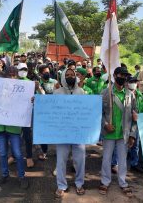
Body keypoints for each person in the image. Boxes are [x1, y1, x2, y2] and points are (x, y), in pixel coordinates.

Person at [99, 67, 137, 197]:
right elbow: (99, 113)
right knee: (106, 158)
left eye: (125, 75)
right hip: (109, 133)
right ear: (114, 75)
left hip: (123, 134)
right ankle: (105, 181)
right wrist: (105, 125)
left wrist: (132, 135)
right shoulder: (105, 93)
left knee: (122, 159)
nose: (123, 77)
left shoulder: (130, 95)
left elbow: (135, 116)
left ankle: (123, 182)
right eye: (121, 75)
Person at [0, 66, 29, 189]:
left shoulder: (22, 89)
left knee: (18, 154)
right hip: (0, 127)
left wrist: (31, 99)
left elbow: (26, 103)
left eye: (14, 75)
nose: (12, 77)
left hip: (14, 128)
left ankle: (21, 176)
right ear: (5, 76)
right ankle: (4, 175)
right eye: (9, 75)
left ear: (17, 76)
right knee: (2, 153)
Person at [53, 68, 86, 198]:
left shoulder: (81, 91)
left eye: (72, 75)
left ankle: (79, 184)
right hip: (62, 132)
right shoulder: (57, 92)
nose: (70, 76)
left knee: (80, 160)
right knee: (61, 161)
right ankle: (61, 186)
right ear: (63, 77)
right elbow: (50, 108)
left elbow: (86, 109)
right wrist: (37, 101)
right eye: (67, 75)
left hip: (78, 132)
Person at [38, 64, 59, 160]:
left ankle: (59, 152)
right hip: (42, 111)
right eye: (45, 72)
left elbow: (60, 95)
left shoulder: (55, 82)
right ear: (40, 74)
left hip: (54, 111)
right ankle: (44, 152)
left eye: (48, 72)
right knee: (43, 132)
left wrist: (59, 88)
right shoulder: (37, 83)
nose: (47, 74)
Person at [126, 76, 143, 171]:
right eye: (131, 81)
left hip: (137, 122)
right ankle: (115, 163)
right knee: (123, 144)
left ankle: (134, 163)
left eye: (135, 82)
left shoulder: (140, 95)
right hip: (126, 122)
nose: (133, 83)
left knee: (136, 144)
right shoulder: (125, 94)